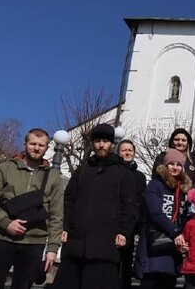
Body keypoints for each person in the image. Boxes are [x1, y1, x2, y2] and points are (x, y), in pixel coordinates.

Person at [55, 124, 137, 289]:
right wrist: (64, 226)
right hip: (76, 246)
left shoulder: (122, 173)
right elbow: (69, 200)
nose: (101, 145)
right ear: (93, 143)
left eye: (105, 141)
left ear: (112, 144)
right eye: (98, 141)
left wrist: (123, 231)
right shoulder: (82, 170)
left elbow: (129, 206)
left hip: (105, 247)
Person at [0, 128, 64, 289]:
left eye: (41, 145)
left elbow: (57, 213)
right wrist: (5, 222)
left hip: (35, 242)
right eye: (33, 143)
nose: (36, 148)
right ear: (25, 144)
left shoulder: (54, 177)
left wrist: (53, 248)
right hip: (3, 238)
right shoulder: (5, 168)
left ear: (47, 147)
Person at [134, 148, 192, 289]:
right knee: (150, 281)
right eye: (172, 164)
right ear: (165, 165)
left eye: (178, 165)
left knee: (168, 281)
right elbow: (155, 213)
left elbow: (183, 216)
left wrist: (184, 236)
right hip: (154, 243)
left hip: (172, 247)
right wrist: (175, 232)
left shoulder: (183, 189)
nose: (175, 167)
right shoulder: (155, 184)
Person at [117, 139, 148, 289]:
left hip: (130, 224)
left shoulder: (140, 177)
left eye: (130, 150)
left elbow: (141, 200)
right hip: (112, 222)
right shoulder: (114, 172)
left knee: (127, 261)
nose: (127, 152)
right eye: (124, 150)